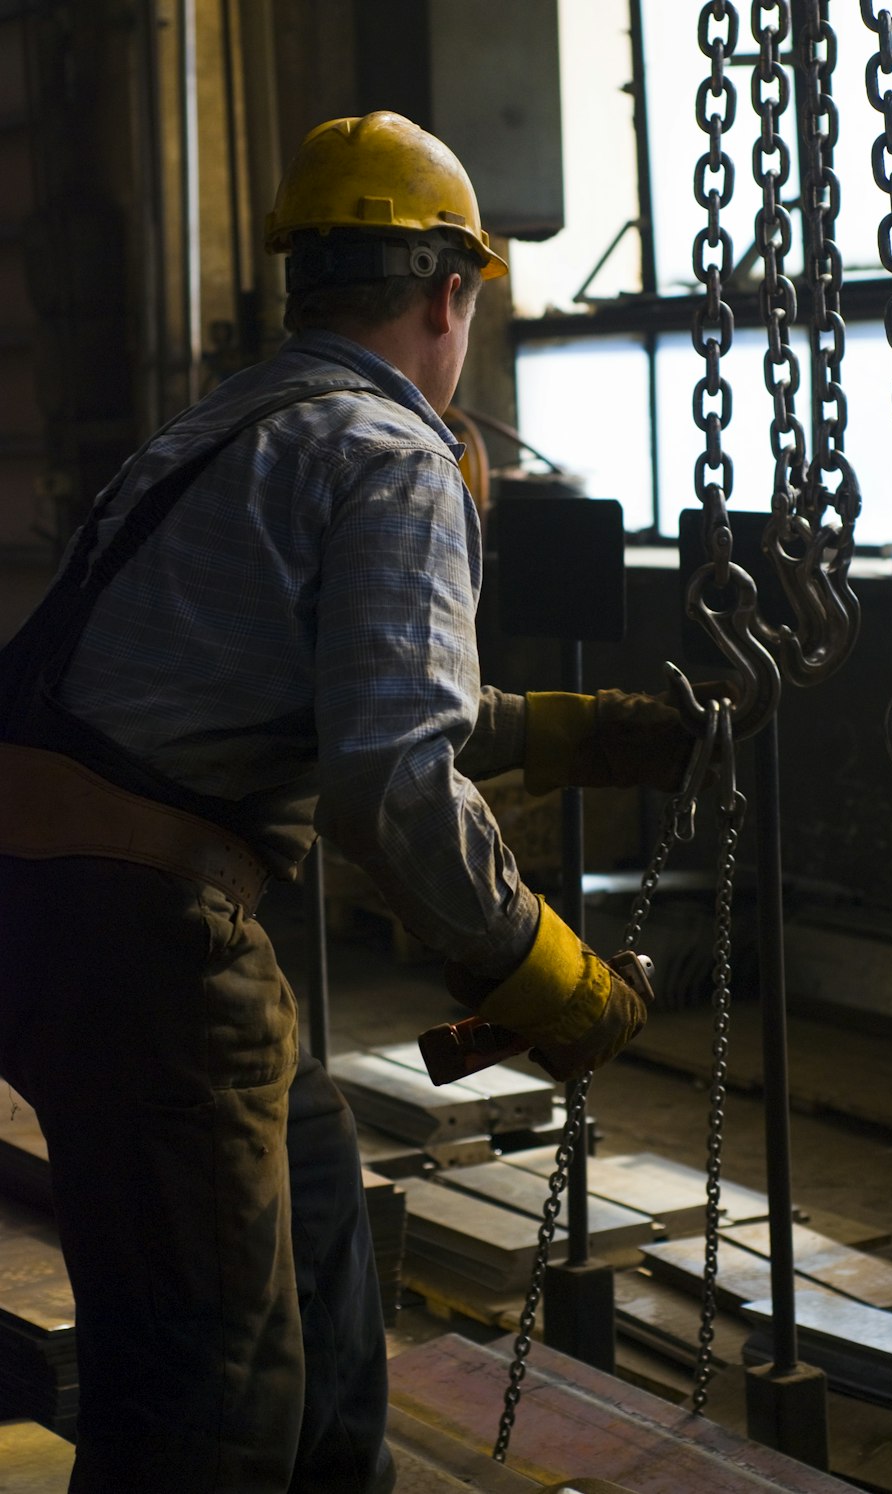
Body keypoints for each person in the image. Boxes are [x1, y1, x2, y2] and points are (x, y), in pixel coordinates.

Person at [0, 112, 701, 1493]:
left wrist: (569, 731)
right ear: (452, 292)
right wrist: (541, 973)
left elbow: (336, 710)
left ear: (302, 283)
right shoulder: (395, 453)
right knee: (212, 1387)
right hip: (147, 938)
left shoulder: (222, 431)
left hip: (50, 913)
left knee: (321, 1236)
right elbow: (388, 779)